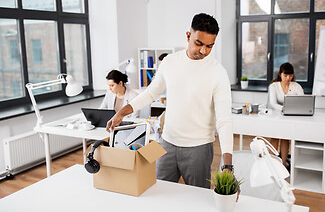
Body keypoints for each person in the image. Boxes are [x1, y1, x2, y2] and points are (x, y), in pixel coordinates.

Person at [106, 13, 236, 196]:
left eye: (210, 46)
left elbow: (224, 119)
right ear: (188, 36)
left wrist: (228, 165)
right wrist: (121, 113)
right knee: (158, 195)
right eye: (199, 43)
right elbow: (151, 93)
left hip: (199, 148)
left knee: (197, 200)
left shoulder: (218, 72)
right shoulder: (170, 62)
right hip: (166, 143)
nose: (204, 51)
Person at [268, 62, 304, 166]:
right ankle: (273, 164)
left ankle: (283, 164)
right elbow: (273, 104)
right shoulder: (273, 86)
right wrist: (286, 109)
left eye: (290, 75)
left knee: (285, 137)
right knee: (275, 137)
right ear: (280, 74)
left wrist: (289, 110)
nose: (288, 78)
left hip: (290, 117)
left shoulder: (296, 86)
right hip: (276, 116)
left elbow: (302, 101)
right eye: (285, 75)